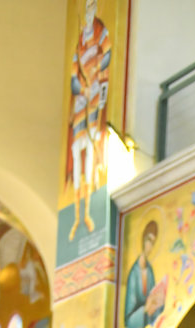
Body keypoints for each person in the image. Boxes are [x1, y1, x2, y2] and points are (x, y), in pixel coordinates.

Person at [66, 0, 110, 240]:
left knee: (92, 147)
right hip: (82, 99)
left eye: (93, 5)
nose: (89, 10)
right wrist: (80, 88)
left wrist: (98, 76)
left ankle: (88, 212)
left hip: (94, 94)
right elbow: (74, 75)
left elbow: (108, 54)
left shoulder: (101, 31)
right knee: (76, 149)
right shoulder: (80, 40)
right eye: (87, 5)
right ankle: (75, 217)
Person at [124, 221, 165, 328]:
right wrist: (145, 309)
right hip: (136, 326)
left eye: (153, 243)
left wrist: (158, 303)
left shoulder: (150, 272)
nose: (150, 247)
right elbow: (128, 321)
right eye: (149, 240)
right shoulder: (134, 273)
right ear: (143, 240)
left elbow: (153, 304)